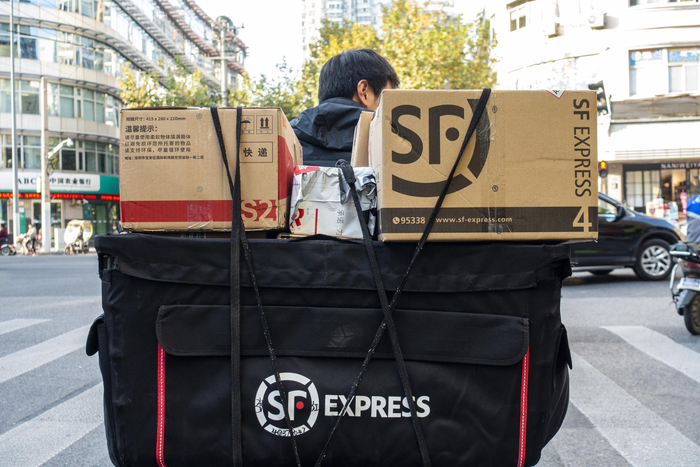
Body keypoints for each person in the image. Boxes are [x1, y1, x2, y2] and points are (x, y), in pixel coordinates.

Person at [291, 49, 399, 166]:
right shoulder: (396, 148)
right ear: (364, 92)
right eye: (387, 98)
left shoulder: (285, 140)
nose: (389, 108)